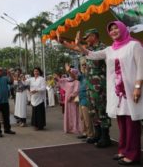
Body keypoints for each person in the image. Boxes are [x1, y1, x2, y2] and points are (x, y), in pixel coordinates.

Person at [75, 21, 143, 165]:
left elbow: (141, 68)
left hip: (131, 92)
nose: (113, 31)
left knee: (132, 123)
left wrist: (138, 87)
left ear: (123, 29)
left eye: (115, 28)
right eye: (110, 29)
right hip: (117, 94)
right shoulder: (110, 49)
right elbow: (91, 55)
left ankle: (133, 154)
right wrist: (79, 45)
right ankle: (123, 150)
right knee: (122, 122)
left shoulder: (134, 45)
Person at [59, 28, 111, 148]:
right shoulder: (89, 49)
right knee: (92, 110)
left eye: (87, 37)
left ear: (94, 36)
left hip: (100, 84)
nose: (85, 40)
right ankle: (97, 134)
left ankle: (105, 136)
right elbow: (75, 48)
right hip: (89, 84)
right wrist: (62, 42)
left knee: (101, 109)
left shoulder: (103, 48)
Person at [55, 64, 81, 134]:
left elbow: (76, 90)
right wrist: (57, 78)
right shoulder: (67, 80)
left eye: (72, 73)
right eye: (70, 73)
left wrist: (71, 96)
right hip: (67, 99)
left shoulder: (77, 81)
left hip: (73, 100)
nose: (71, 74)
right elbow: (60, 82)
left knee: (74, 113)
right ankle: (69, 128)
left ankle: (75, 127)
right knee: (68, 113)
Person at [76, 58, 94, 140]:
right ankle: (85, 133)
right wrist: (69, 71)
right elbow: (74, 77)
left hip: (87, 98)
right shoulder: (81, 76)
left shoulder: (90, 75)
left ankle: (90, 134)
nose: (83, 66)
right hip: (81, 98)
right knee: (82, 117)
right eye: (82, 65)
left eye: (85, 65)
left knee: (87, 118)